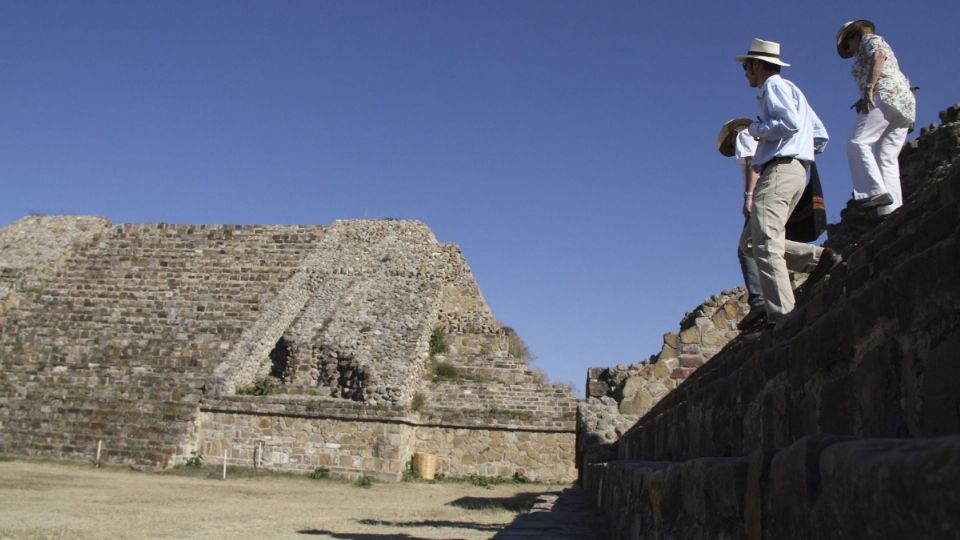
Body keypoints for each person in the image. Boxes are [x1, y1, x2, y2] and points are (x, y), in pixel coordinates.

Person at [736, 38, 842, 328]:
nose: (746, 73)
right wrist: (802, 156)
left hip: (781, 168)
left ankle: (784, 315)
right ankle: (818, 259)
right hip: (794, 169)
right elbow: (820, 136)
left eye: (747, 67)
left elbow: (790, 123)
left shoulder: (774, 86)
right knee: (750, 243)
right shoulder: (795, 91)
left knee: (765, 239)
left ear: (757, 65)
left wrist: (756, 130)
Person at [837, 20, 916, 215]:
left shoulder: (870, 41)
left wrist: (869, 88)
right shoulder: (867, 49)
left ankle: (874, 191)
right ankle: (892, 209)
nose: (850, 50)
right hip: (903, 101)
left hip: (885, 94)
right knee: (886, 156)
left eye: (848, 45)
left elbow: (879, 57)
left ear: (854, 36)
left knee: (857, 142)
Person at [718, 118, 765, 330]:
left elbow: (751, 163)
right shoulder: (760, 136)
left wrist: (748, 196)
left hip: (762, 193)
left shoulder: (745, 135)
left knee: (746, 248)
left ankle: (759, 301)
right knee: (763, 244)